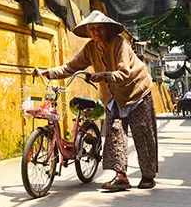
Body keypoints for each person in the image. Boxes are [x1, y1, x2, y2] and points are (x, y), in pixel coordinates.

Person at [38, 10, 158, 191]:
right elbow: (71, 67)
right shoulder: (90, 48)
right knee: (115, 134)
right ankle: (121, 177)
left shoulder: (119, 43)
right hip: (113, 96)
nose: (95, 33)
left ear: (109, 29)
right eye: (92, 29)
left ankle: (148, 176)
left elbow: (124, 72)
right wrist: (50, 72)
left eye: (99, 28)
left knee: (143, 134)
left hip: (137, 92)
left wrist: (104, 75)